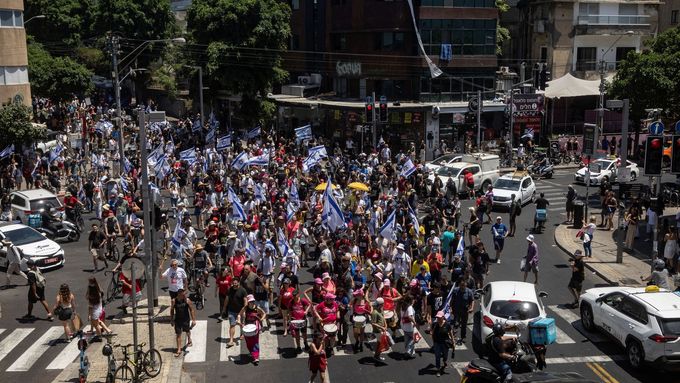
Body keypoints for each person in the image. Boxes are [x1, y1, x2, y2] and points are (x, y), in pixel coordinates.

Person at [238, 294, 267, 365]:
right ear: (248, 302)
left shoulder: (257, 308)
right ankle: (252, 352)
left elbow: (264, 313)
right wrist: (238, 320)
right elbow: (239, 314)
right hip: (247, 327)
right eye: (251, 301)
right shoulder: (245, 308)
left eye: (253, 301)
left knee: (255, 341)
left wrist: (261, 319)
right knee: (249, 342)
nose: (252, 302)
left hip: (255, 326)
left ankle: (256, 357)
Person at [170, 288, 197, 357]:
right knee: (178, 334)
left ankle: (189, 339)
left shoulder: (187, 301)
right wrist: (172, 319)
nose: (184, 295)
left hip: (186, 319)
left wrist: (193, 320)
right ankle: (179, 349)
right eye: (182, 294)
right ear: (179, 294)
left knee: (187, 331)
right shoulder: (174, 301)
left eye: (184, 294)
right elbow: (172, 310)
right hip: (178, 320)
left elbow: (191, 310)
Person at [223, 278, 248, 347]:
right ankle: (231, 340)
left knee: (242, 324)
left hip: (241, 311)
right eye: (233, 283)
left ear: (239, 283)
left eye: (236, 283)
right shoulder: (229, 290)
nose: (234, 285)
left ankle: (242, 333)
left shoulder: (243, 290)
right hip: (231, 311)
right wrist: (224, 309)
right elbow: (226, 299)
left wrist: (244, 310)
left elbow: (245, 301)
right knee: (232, 325)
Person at [431, 310, 455, 377]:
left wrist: (453, 341)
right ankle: (438, 369)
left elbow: (450, 333)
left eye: (439, 317)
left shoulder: (447, 325)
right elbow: (432, 334)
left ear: (443, 317)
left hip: (445, 343)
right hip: (437, 343)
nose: (438, 319)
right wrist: (434, 342)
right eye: (437, 317)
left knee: (445, 355)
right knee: (437, 356)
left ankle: (444, 361)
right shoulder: (434, 324)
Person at [450, 278, 474, 344]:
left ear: (466, 285)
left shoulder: (469, 292)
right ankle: (453, 337)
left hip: (465, 311)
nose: (462, 287)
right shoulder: (455, 290)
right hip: (456, 311)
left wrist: (471, 308)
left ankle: (463, 337)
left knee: (464, 325)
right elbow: (452, 300)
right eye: (461, 285)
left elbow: (472, 300)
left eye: (463, 285)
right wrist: (450, 308)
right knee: (455, 324)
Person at [370, 297, 388, 362]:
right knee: (381, 344)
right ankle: (377, 356)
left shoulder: (381, 309)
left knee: (379, 344)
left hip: (382, 330)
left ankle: (377, 356)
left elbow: (383, 317)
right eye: (382, 304)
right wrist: (382, 327)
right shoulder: (375, 312)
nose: (383, 305)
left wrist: (385, 325)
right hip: (378, 331)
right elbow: (373, 323)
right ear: (379, 304)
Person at [400, 294, 417, 359]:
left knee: (406, 339)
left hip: (404, 325)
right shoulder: (409, 307)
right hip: (410, 326)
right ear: (411, 300)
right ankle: (408, 350)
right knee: (413, 338)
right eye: (413, 300)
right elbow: (410, 317)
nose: (414, 301)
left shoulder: (403, 306)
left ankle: (409, 353)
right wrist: (414, 322)